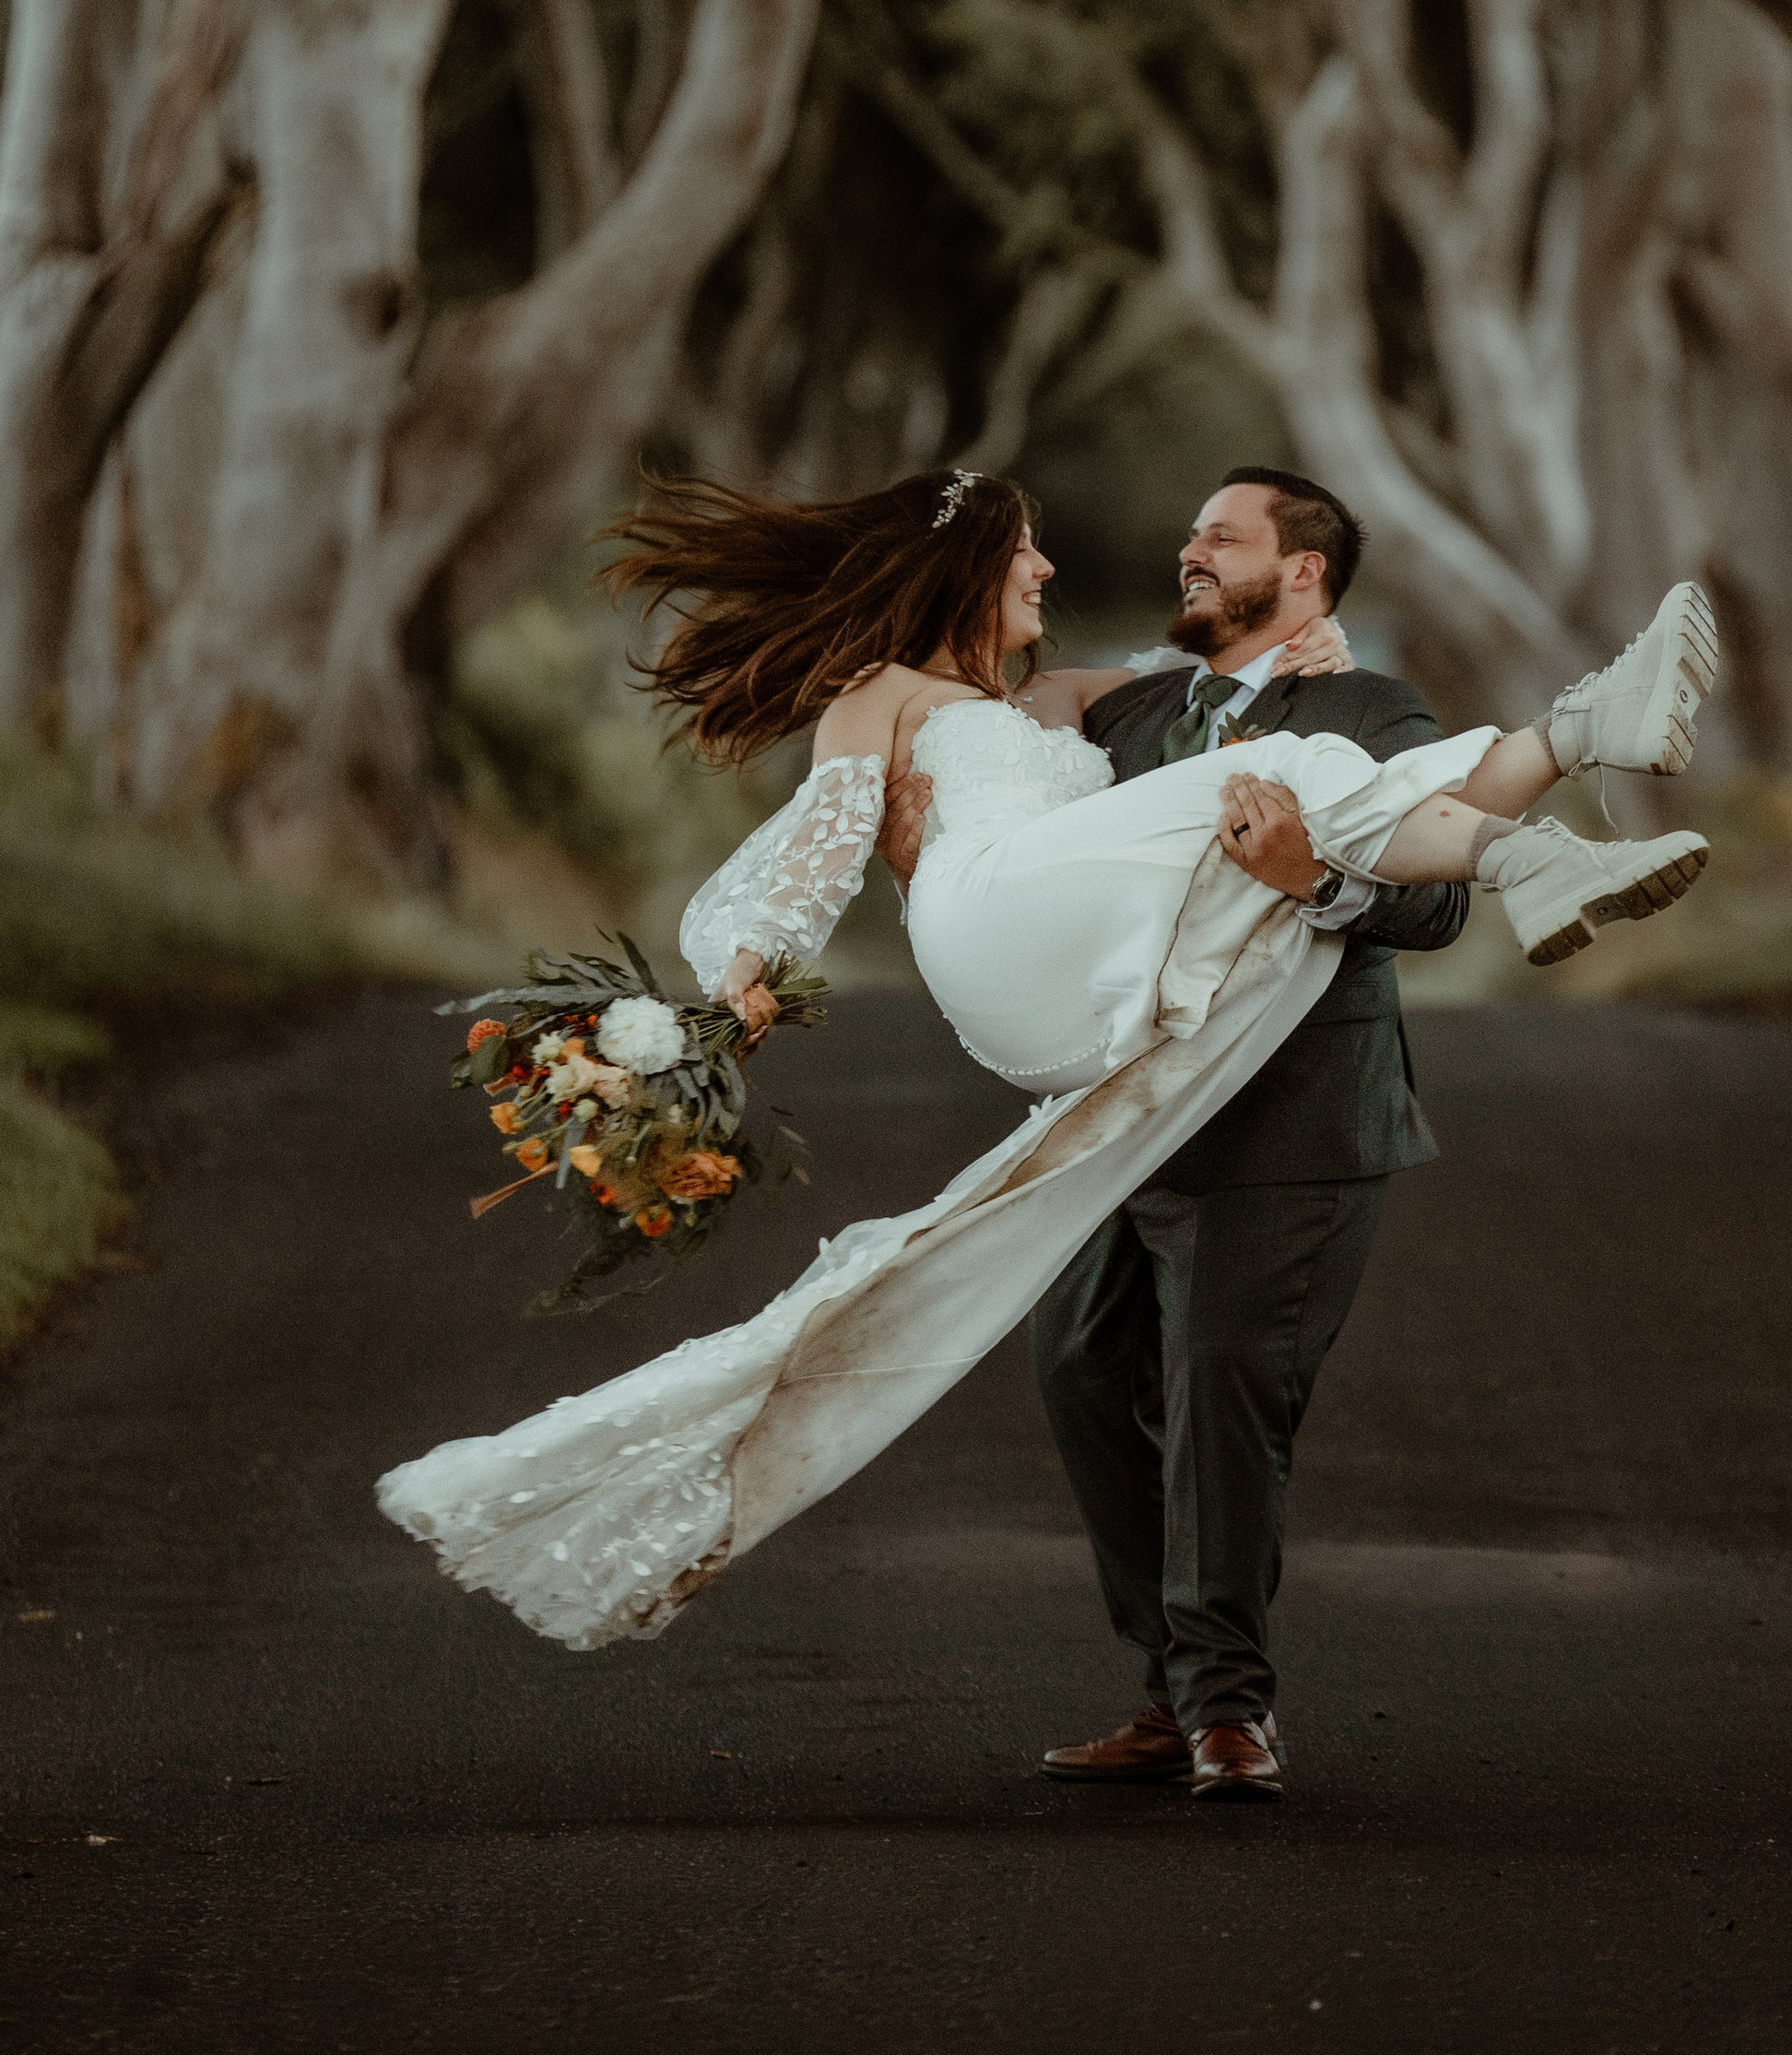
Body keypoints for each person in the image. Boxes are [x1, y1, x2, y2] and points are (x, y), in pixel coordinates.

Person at [377, 467, 1716, 1721]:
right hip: (1001, 930)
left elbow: (1207, 705)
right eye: (1026, 551)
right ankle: (1558, 787)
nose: (1057, 566)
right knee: (1292, 781)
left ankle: (1557, 797)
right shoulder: (905, 696)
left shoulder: (1143, 702)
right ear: (963, 567)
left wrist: (1312, 714)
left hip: (1128, 1022)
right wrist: (733, 997)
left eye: (1221, 541)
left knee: (1305, 774)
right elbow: (814, 847)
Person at [868, 465, 1715, 1801]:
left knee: (1220, 1397)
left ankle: (1226, 1712)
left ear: (1305, 571)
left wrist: (1311, 876)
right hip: (1136, 1115)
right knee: (1079, 1369)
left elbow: (1428, 918)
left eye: (1223, 536)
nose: (1189, 549)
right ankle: (1173, 1684)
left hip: (1292, 1121)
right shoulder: (1137, 709)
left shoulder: (1370, 707)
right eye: (1191, 529)